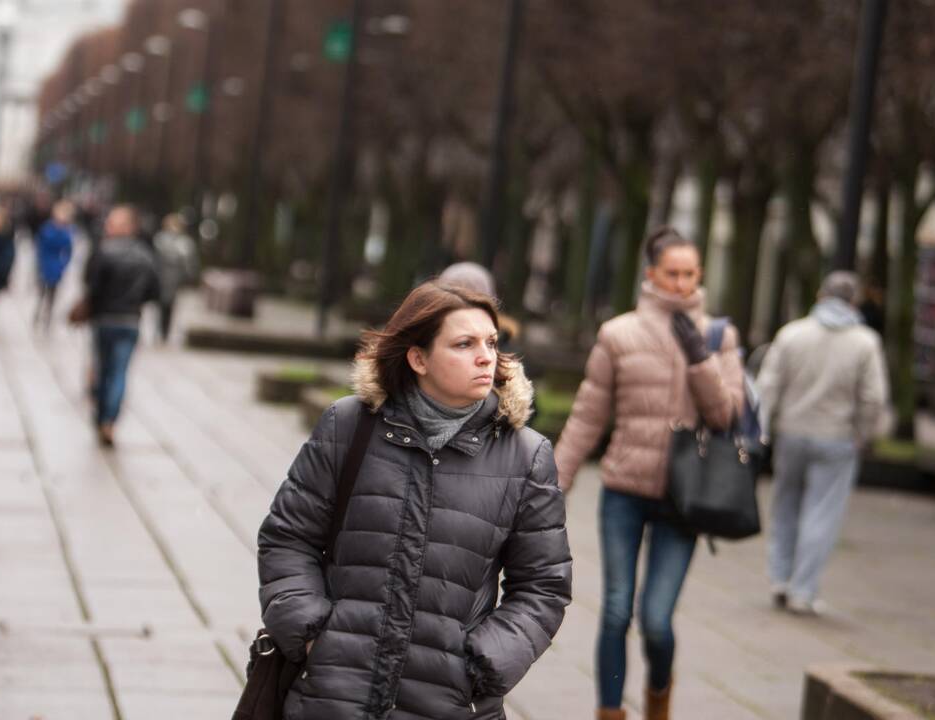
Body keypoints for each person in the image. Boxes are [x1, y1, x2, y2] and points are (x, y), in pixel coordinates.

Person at [256, 281, 572, 720]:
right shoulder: (347, 426)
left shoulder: (526, 455)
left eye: (492, 343)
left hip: (446, 702)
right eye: (464, 344)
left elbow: (543, 585)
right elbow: (288, 539)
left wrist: (482, 665)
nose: (486, 357)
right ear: (418, 358)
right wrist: (313, 636)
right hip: (333, 695)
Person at [553, 226, 745, 720]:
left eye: (690, 274)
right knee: (616, 610)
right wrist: (555, 481)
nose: (682, 284)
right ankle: (610, 711)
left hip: (685, 497)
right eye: (672, 273)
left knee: (657, 620)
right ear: (652, 274)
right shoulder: (619, 333)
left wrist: (700, 360)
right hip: (623, 490)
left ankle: (659, 693)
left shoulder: (719, 336)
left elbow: (727, 416)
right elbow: (588, 414)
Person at [756, 271, 887, 616]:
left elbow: (768, 385)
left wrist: (764, 428)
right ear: (854, 301)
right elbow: (874, 397)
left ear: (820, 295)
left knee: (785, 505)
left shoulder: (792, 334)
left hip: (791, 433)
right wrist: (863, 432)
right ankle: (803, 590)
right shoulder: (865, 342)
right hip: (837, 438)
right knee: (821, 514)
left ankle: (779, 578)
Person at [82, 205, 160, 446]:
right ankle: (110, 420)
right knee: (119, 373)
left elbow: (91, 286)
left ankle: (101, 414)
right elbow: (154, 291)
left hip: (104, 320)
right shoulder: (146, 255)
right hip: (129, 321)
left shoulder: (103, 251)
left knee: (103, 369)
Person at [152, 213, 198, 341]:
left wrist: (189, 276)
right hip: (161, 277)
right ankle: (160, 330)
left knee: (170, 305)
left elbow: (189, 262)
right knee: (161, 305)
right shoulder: (160, 239)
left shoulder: (185, 242)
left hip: (175, 278)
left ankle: (165, 331)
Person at [34, 200, 75, 331]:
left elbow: (69, 251)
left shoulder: (66, 232)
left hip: (56, 266)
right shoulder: (47, 229)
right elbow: (40, 246)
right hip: (45, 263)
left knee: (52, 293)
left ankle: (48, 315)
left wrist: (63, 264)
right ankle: (39, 312)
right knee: (42, 291)